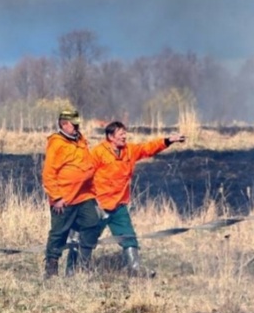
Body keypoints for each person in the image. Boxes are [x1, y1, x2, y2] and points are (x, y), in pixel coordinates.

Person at [87, 122, 185, 277]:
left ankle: (135, 268)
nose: (124, 137)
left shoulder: (129, 150)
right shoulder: (98, 152)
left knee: (128, 237)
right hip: (99, 205)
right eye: (121, 134)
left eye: (125, 133)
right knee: (87, 238)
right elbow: (85, 174)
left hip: (119, 205)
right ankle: (76, 269)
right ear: (110, 137)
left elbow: (147, 148)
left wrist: (167, 141)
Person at [41, 108, 105, 278]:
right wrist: (56, 198)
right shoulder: (56, 143)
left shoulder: (81, 140)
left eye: (78, 124)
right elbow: (48, 173)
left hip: (84, 196)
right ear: (64, 124)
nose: (77, 127)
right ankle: (51, 268)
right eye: (74, 124)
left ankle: (83, 264)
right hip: (64, 199)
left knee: (92, 224)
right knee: (59, 232)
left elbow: (87, 166)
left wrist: (94, 191)